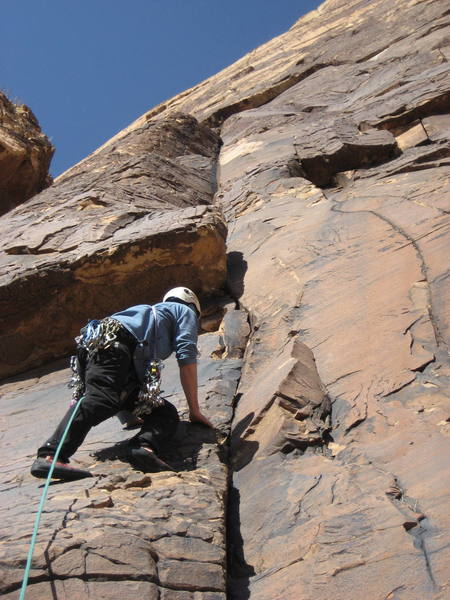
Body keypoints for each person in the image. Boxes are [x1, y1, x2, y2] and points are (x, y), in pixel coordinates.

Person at [30, 287, 213, 480]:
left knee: (164, 412)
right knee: (100, 400)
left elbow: (126, 375)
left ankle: (143, 447)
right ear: (193, 305)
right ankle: (50, 455)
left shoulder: (149, 318)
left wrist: (129, 416)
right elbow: (186, 357)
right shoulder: (184, 311)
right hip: (115, 346)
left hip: (104, 349)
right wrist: (194, 410)